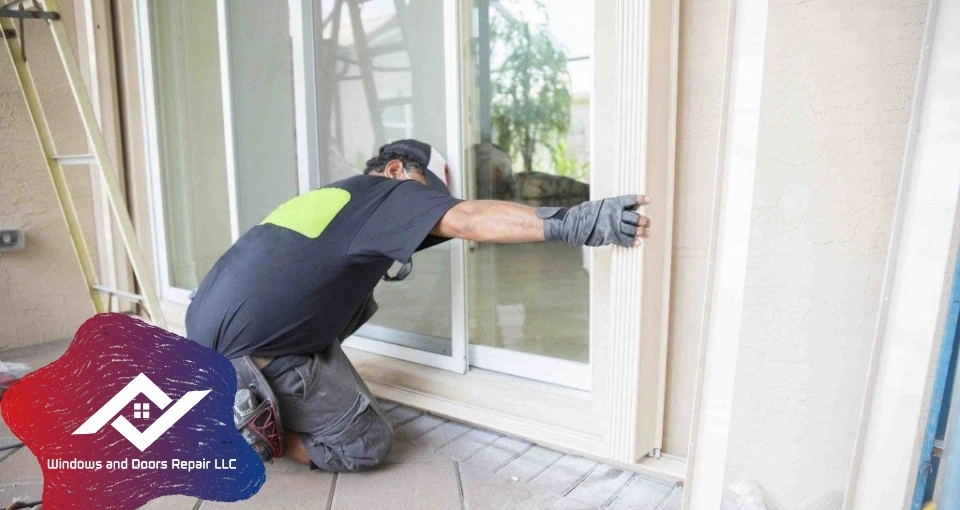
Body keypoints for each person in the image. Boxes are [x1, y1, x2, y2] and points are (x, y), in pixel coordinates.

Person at [185, 139, 651, 472]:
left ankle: (228, 391)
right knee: (364, 444)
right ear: (395, 171)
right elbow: (467, 219)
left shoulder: (337, 199)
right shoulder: (388, 194)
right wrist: (578, 221)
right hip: (252, 351)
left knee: (354, 299)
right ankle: (252, 429)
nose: (428, 210)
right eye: (426, 193)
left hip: (205, 334)